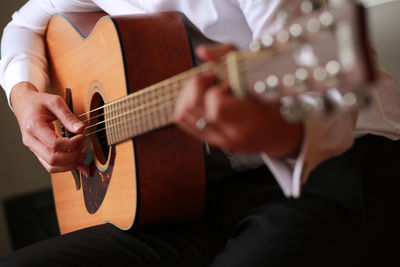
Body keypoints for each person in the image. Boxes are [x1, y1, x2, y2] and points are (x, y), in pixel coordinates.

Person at [0, 0, 399, 266]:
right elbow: (23, 25)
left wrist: (267, 129)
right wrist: (23, 96)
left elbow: (327, 98)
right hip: (192, 193)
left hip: (339, 164)